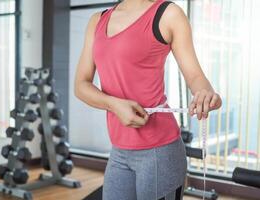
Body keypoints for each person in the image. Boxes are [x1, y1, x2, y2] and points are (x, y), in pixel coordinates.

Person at [74, 0, 222, 199]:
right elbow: (81, 85)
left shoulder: (168, 14)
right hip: (118, 151)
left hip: (159, 152)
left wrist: (206, 94)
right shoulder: (98, 20)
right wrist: (114, 105)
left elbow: (195, 76)